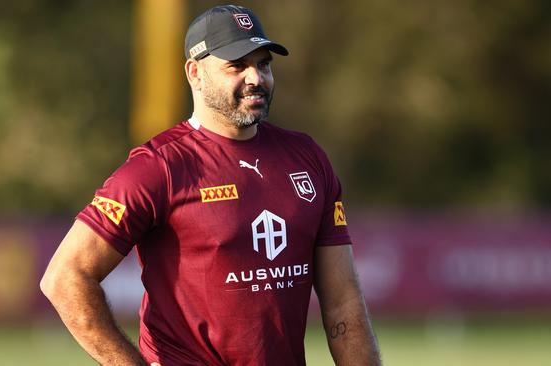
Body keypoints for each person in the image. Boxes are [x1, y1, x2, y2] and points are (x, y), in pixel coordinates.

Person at [40, 4, 381, 366]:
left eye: (263, 64)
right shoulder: (159, 167)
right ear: (195, 72)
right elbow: (64, 277)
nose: (256, 78)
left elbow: (343, 302)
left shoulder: (308, 158)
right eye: (237, 65)